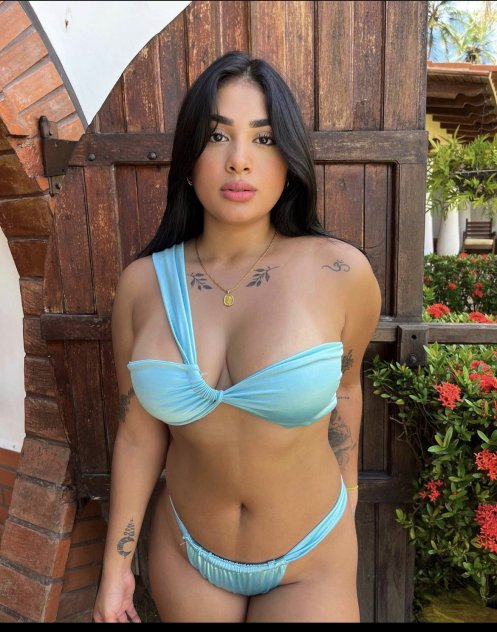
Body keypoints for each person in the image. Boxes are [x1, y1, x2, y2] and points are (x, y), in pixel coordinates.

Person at [92, 50, 381, 623]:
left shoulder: (341, 273)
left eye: (264, 139)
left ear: (289, 158)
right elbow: (138, 435)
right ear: (189, 156)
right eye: (218, 136)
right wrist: (115, 568)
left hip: (311, 555)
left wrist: (347, 501)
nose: (239, 161)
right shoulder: (142, 285)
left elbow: (347, 390)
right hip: (186, 552)